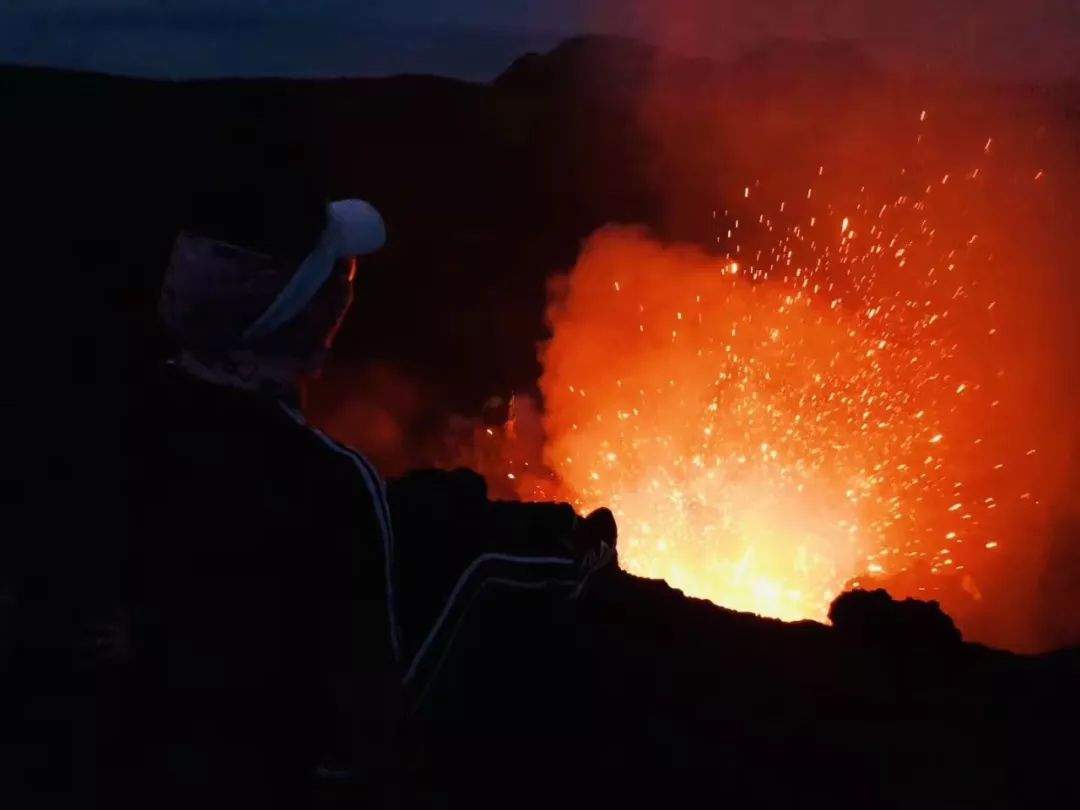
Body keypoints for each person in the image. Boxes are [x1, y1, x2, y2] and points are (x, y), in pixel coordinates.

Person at [131, 193, 401, 806]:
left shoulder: (118, 428)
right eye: (335, 279)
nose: (345, 296)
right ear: (300, 311)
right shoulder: (325, 485)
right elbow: (371, 721)